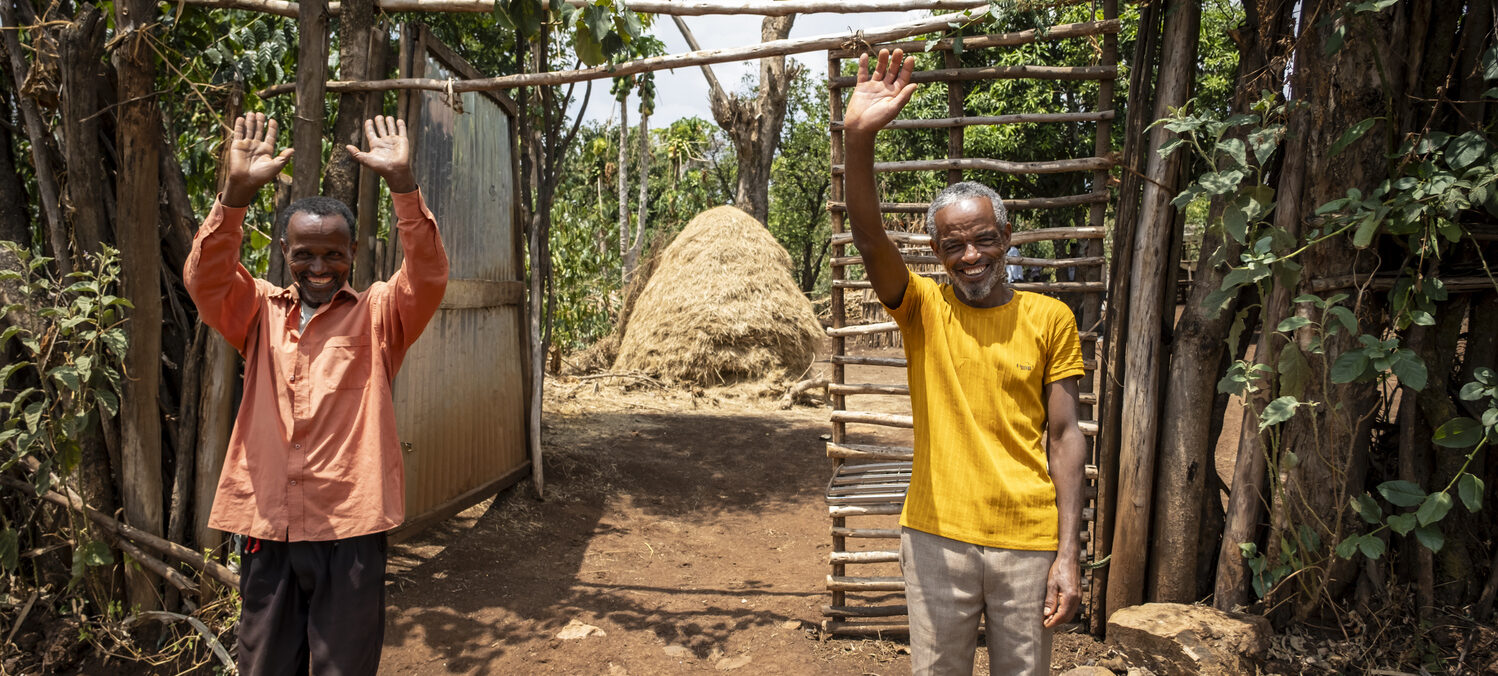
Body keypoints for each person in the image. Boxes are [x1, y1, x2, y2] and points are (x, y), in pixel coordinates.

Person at [841, 49, 1087, 675]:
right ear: (936, 251)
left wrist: (1068, 554)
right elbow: (870, 237)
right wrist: (858, 139)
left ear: (1007, 238)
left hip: (1027, 544)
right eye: (953, 245)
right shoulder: (921, 307)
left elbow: (1063, 439)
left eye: (982, 239)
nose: (970, 255)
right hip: (935, 538)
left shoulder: (1050, 320)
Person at [183, 113, 449, 675]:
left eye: (333, 254)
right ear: (284, 251)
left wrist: (404, 185)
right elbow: (205, 280)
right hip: (267, 528)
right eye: (304, 253)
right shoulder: (256, 310)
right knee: (264, 666)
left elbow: (427, 276)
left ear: (353, 250)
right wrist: (233, 196)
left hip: (349, 533)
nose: (319, 267)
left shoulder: (378, 313)